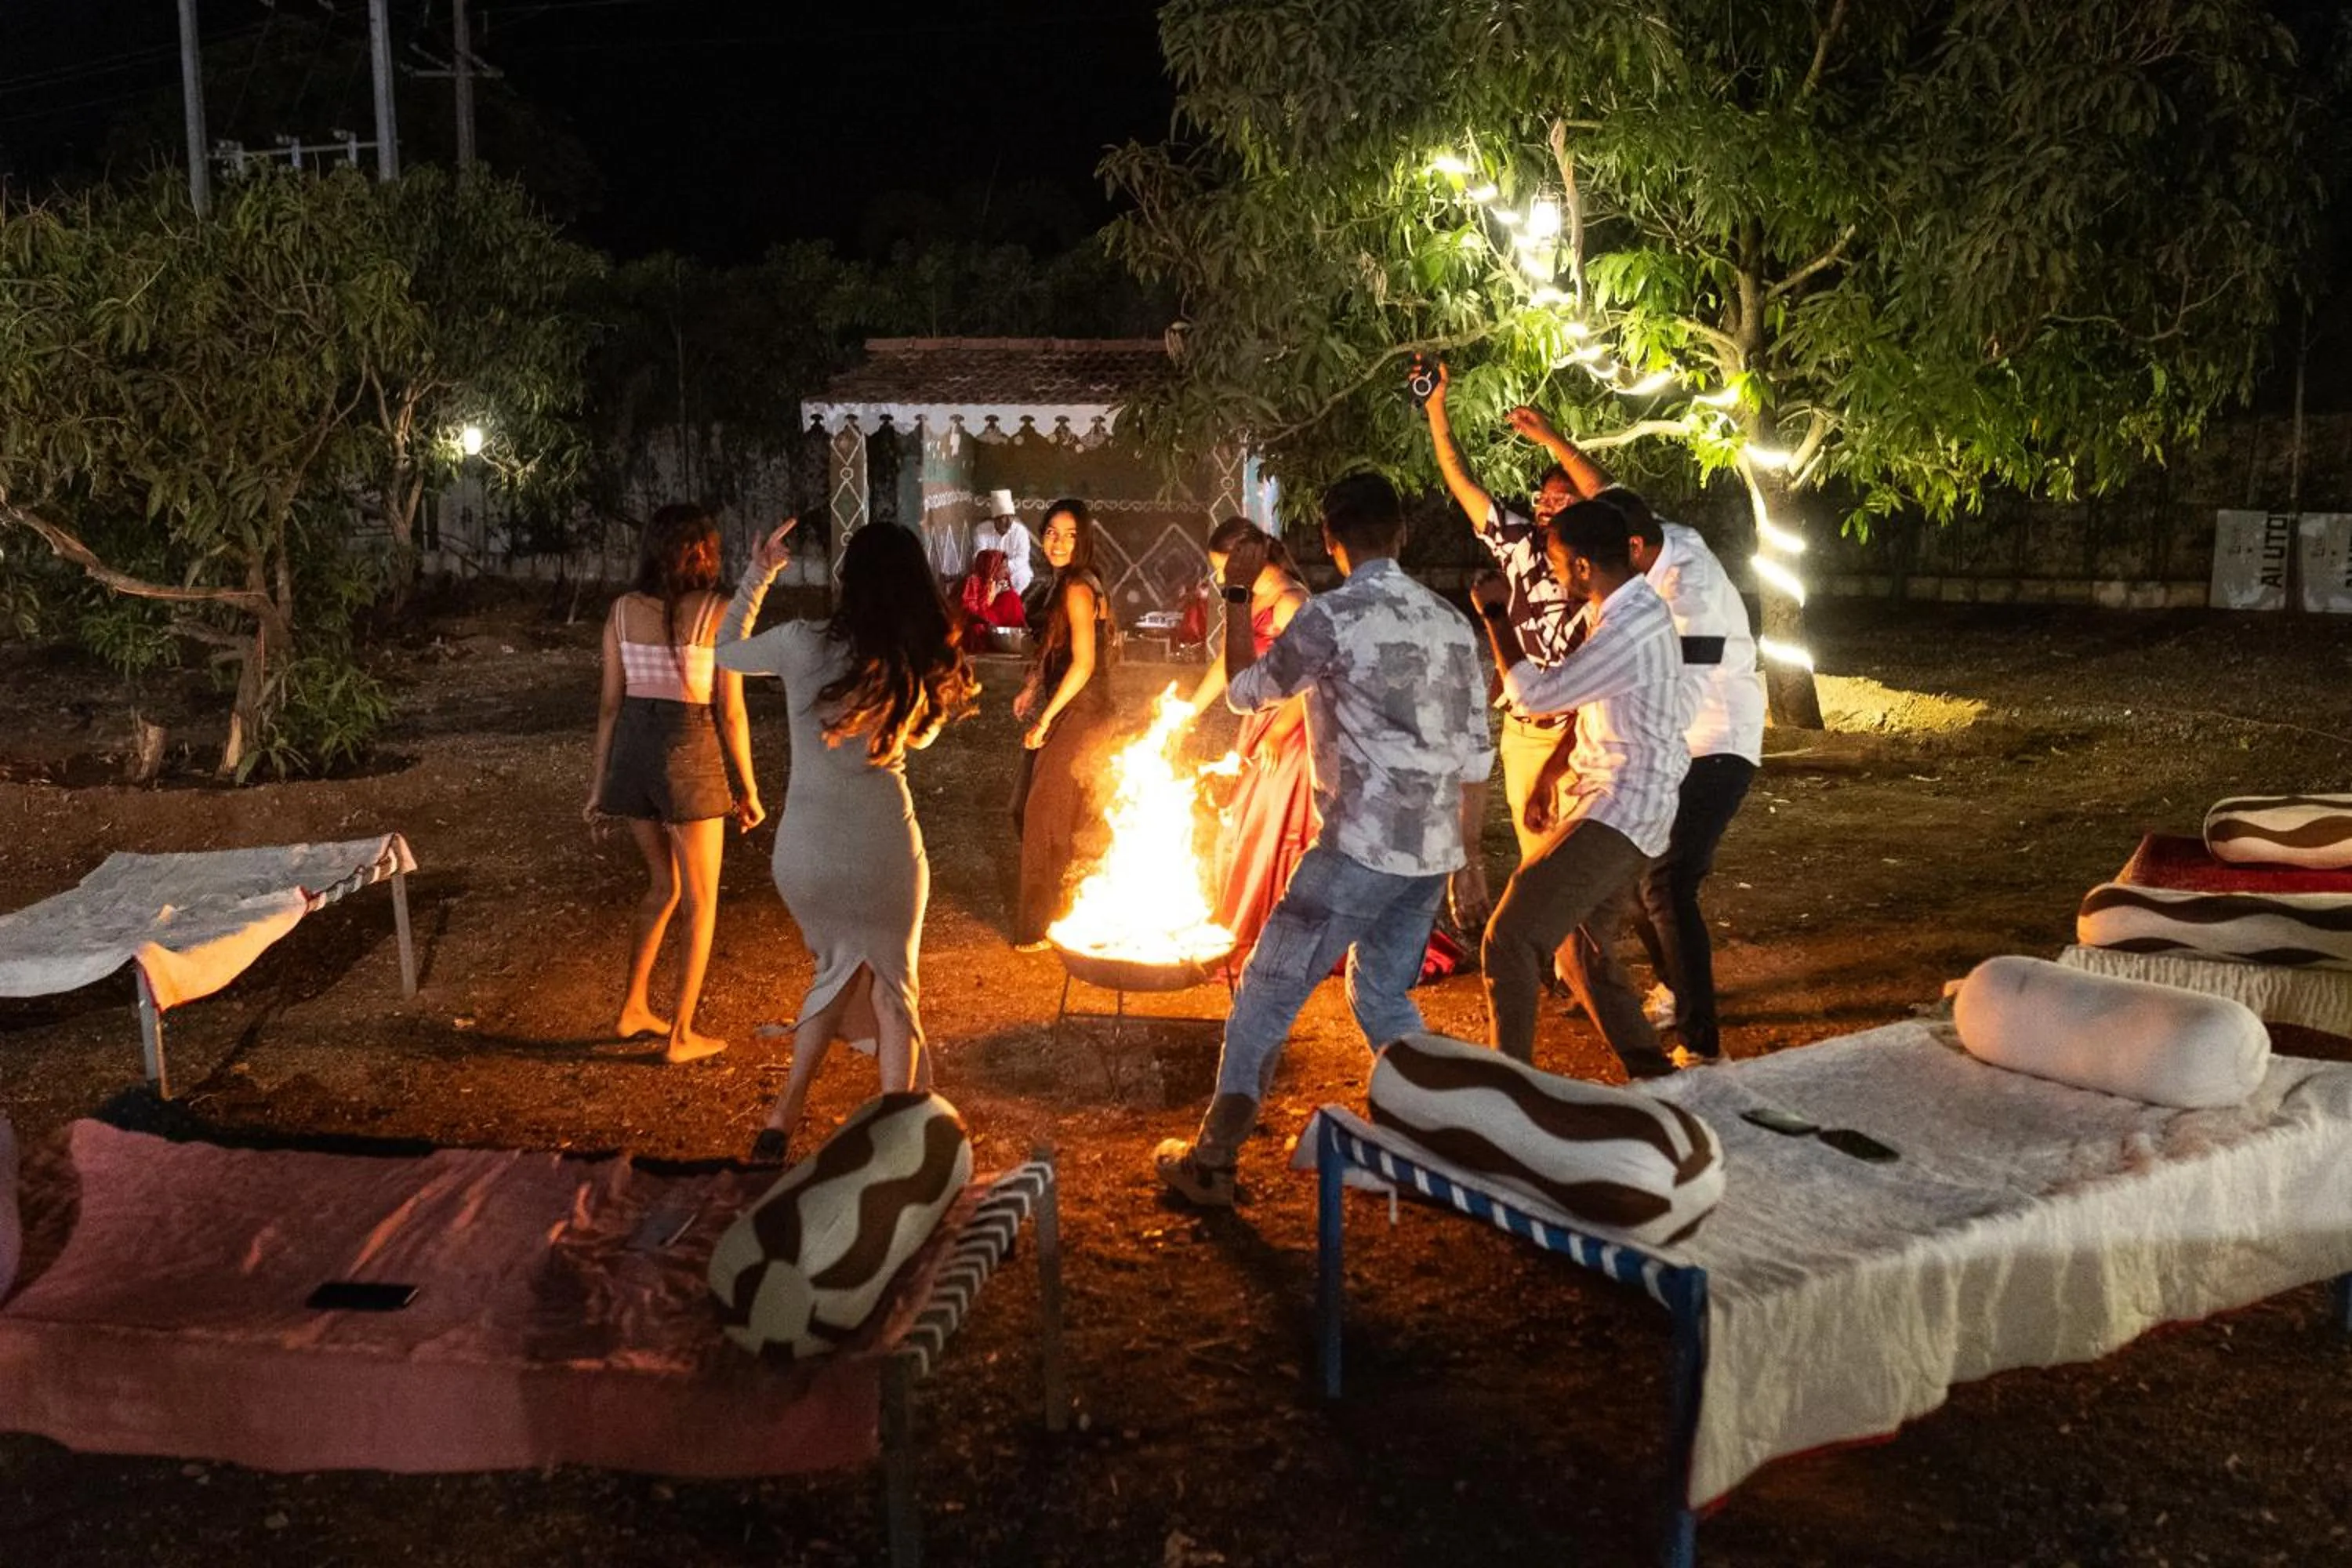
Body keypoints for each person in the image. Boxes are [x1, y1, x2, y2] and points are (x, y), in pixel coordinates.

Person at [1156, 474, 1493, 1208]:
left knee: (1264, 993)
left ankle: (1212, 1161)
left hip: (1356, 851)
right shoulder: (1451, 624)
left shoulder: (1333, 619)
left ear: (1333, 544)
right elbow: (1476, 755)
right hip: (1429, 855)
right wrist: (1468, 860)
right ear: (1401, 535)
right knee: (1378, 990)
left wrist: (1237, 599)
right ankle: (1447, 1128)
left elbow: (1245, 688)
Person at [716, 517, 978, 1163]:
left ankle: (782, 1119)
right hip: (883, 848)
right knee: (894, 988)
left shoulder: (801, 644)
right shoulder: (913, 660)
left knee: (833, 974)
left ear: (846, 580)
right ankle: (894, 1136)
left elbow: (724, 650)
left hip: (809, 851)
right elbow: (919, 739)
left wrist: (760, 573)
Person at [1511, 412, 1766, 1065]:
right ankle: (1672, 997)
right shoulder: (1654, 543)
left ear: (1624, 555)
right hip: (1671, 741)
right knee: (1646, 874)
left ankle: (1700, 1038)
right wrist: (1550, 441)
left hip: (1714, 738)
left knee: (1667, 877)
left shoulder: (1688, 596)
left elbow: (1664, 700)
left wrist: (1609, 769)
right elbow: (1609, 496)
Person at [1472, 499, 1689, 1080]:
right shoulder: (1621, 613)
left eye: (1556, 560)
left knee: (1511, 936)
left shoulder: (1630, 627)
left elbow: (1538, 696)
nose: (1551, 571)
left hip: (1622, 808)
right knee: (1580, 951)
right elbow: (1596, 706)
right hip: (1622, 803)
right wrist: (1549, 775)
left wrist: (1496, 617)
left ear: (1587, 566)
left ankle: (1508, 1089)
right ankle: (1656, 1078)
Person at [584, 504, 761, 1065]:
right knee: (702, 902)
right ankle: (682, 1034)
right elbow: (730, 714)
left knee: (664, 887)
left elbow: (610, 707)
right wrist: (749, 788)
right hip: (688, 756)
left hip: (634, 756)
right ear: (702, 553)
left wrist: (598, 787)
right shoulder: (718, 610)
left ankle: (634, 1007)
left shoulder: (619, 612)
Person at [1421, 360, 1601, 858]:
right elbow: (1460, 481)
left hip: (1580, 734)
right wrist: (1437, 408)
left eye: (1560, 500)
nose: (1544, 506)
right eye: (1541, 497)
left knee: (1581, 872)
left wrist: (1553, 440)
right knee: (1538, 859)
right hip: (1523, 732)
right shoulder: (1520, 546)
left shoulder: (1601, 573)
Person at [1181, 517, 1314, 966]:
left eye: (1225, 569)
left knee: (1270, 825)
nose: (1220, 580)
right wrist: (1186, 715)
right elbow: (1227, 664)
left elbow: (1314, 681)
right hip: (1258, 729)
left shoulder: (1292, 602)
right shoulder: (1249, 598)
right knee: (1244, 823)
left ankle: (1274, 931)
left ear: (1252, 559)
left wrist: (1277, 732)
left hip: (1291, 733)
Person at [1009, 498, 1122, 951]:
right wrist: (1031, 687)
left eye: (1069, 534)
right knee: (1027, 808)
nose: (1057, 541)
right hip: (1066, 706)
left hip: (1083, 710)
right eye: (1051, 532)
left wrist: (1047, 719)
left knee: (1043, 815)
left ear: (1085, 539)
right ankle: (1060, 898)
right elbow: (1052, 648)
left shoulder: (1078, 588)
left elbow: (1084, 664)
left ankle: (1039, 926)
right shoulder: (1059, 583)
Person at [972, 489, 1036, 597]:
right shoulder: (981, 530)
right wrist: (993, 570)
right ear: (995, 520)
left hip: (1015, 571)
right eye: (1004, 518)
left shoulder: (1020, 531)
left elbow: (1022, 558)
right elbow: (979, 555)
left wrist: (1005, 569)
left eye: (1011, 516)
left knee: (1022, 578)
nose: (1009, 521)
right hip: (989, 573)